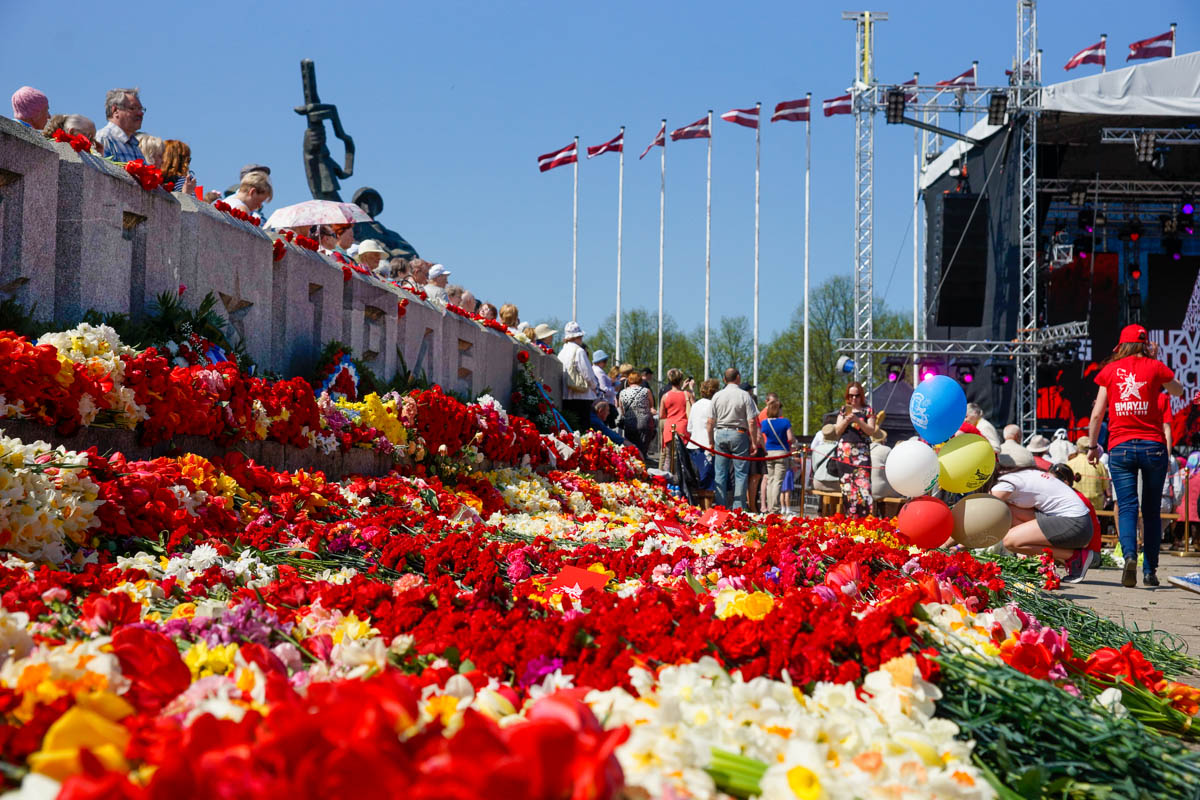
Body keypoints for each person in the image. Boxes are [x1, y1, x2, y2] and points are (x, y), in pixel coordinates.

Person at [1087, 323, 1184, 588]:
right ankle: (1150, 570)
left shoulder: (1109, 371)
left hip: (1121, 447)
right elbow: (1178, 391)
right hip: (1153, 447)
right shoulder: (1155, 367)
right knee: (1151, 511)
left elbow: (1097, 414)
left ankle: (1130, 554)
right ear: (1145, 344)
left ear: (1121, 344)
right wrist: (1154, 361)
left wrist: (1092, 446)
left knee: (1128, 506)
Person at [991, 461, 1097, 580]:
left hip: (1076, 524)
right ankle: (1039, 559)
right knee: (1009, 511)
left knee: (1010, 541)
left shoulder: (1003, 485)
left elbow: (987, 514)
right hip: (1078, 522)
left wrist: (967, 543)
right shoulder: (1014, 475)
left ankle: (1074, 557)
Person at [705, 368, 760, 511]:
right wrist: (754, 442)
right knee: (740, 473)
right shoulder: (744, 395)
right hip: (739, 433)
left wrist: (710, 441)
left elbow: (710, 422)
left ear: (724, 380)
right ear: (738, 378)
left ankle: (720, 506)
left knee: (720, 472)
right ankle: (739, 508)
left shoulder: (717, 396)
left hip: (721, 433)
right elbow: (752, 421)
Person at [834, 381, 877, 517]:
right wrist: (846, 420)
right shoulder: (843, 410)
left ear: (861, 396)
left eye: (857, 396)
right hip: (845, 452)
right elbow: (837, 431)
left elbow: (871, 431)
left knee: (864, 486)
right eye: (851, 395)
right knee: (847, 488)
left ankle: (865, 518)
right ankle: (850, 518)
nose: (853, 399)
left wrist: (858, 421)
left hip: (861, 452)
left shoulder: (868, 410)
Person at [558, 321, 597, 431]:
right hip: (581, 395)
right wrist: (594, 387)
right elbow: (587, 374)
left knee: (570, 429)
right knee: (583, 429)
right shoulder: (579, 351)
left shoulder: (562, 352)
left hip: (566, 395)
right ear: (578, 336)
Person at [761, 397, 794, 514]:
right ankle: (775, 509)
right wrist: (795, 443)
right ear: (778, 410)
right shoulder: (785, 421)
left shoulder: (765, 422)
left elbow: (759, 436)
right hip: (781, 453)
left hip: (769, 453)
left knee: (770, 480)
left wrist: (764, 448)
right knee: (778, 481)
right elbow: (790, 438)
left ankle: (770, 507)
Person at [686, 378, 719, 492]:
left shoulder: (695, 405)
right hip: (708, 446)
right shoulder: (713, 405)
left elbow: (689, 428)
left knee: (699, 481)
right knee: (708, 481)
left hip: (693, 445)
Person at [95, 88, 146, 162]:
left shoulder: (135, 146)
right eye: (133, 108)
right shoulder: (104, 138)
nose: (140, 113)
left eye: (140, 109)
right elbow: (98, 172)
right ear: (115, 110)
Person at [658, 369, 691, 472]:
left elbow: (662, 414)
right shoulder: (686, 395)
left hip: (669, 427)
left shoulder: (665, 396)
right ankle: (682, 481)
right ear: (681, 380)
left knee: (668, 457)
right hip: (682, 427)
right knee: (682, 458)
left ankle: (667, 480)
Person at [618, 370, 656, 457]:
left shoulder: (622, 392)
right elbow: (651, 406)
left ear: (629, 380)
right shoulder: (646, 391)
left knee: (631, 449)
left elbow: (622, 409)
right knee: (642, 449)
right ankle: (643, 463)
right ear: (640, 380)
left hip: (629, 423)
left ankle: (634, 466)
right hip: (644, 422)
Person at [1066, 436, 1110, 511]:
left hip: (1075, 505)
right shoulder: (1099, 464)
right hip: (1096, 507)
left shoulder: (1069, 464)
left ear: (1077, 448)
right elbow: (1107, 491)